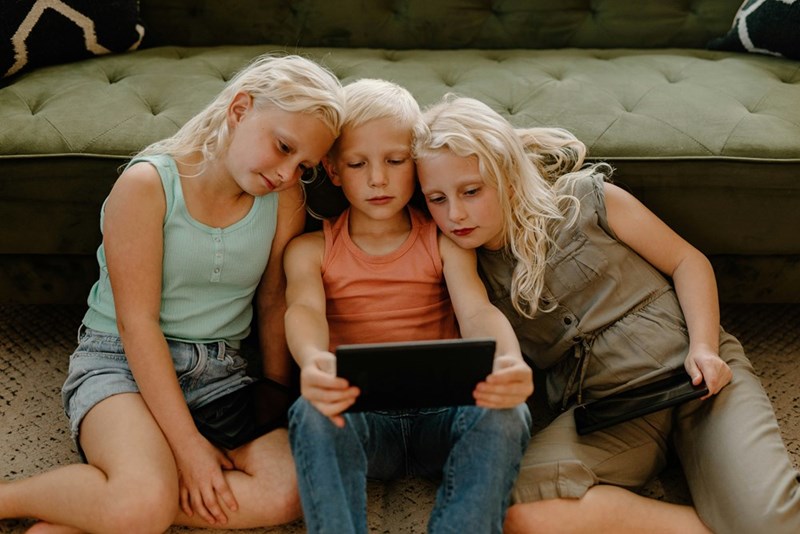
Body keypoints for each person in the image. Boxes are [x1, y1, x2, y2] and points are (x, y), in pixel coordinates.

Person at [413, 95, 800, 534]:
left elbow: (688, 262)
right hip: (608, 410)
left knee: (772, 521)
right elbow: (475, 319)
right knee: (508, 509)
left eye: (470, 191)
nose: (455, 213)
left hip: (696, 374)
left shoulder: (587, 198)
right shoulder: (463, 260)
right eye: (436, 199)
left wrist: (705, 348)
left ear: (505, 173)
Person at [0, 53, 344, 533]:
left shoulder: (283, 199)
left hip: (220, 373)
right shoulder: (148, 185)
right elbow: (134, 324)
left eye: (303, 165)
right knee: (145, 501)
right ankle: (19, 499)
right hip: (121, 365)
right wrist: (189, 449)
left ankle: (107, 509)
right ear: (240, 109)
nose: (288, 174)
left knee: (294, 485)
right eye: (283, 146)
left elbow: (272, 301)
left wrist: (277, 390)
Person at [283, 79, 533, 534]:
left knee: (508, 411)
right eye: (358, 164)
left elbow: (477, 312)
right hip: (361, 422)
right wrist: (314, 362)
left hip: (444, 416)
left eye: (395, 162)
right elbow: (303, 310)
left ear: (415, 164)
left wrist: (509, 361)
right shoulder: (309, 250)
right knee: (310, 413)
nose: (378, 179)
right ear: (334, 170)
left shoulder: (443, 242)